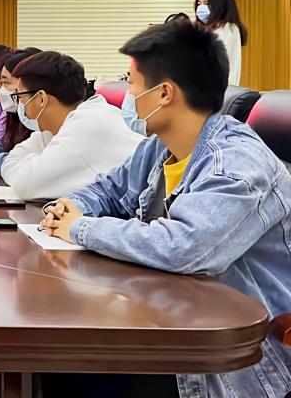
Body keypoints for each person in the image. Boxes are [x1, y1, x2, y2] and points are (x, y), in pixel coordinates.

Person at [41, 22, 290, 398]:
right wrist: (72, 206)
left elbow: (184, 246)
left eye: (131, 82)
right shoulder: (160, 146)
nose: (127, 94)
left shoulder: (236, 164)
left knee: (68, 363)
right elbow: (109, 188)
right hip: (168, 317)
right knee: (59, 357)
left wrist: (80, 228)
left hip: (224, 358)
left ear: (164, 93)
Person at [0, 51, 143, 200]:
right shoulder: (57, 127)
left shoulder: (86, 125)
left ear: (41, 98)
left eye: (20, 96)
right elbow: (9, 163)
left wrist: (29, 162)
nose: (20, 104)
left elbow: (24, 185)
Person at [194, 0, 247, 86]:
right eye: (199, 3)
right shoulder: (203, 30)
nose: (200, 8)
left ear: (219, 5)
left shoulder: (228, 30)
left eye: (206, 3)